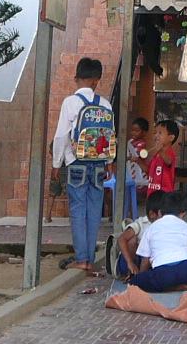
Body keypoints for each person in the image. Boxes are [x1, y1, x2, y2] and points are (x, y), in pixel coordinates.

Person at [50, 57, 112, 274]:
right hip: (99, 164)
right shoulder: (105, 104)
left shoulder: (70, 102)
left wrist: (56, 163)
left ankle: (82, 259)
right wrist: (109, 163)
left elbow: (61, 136)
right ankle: (90, 258)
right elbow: (109, 136)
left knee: (78, 210)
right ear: (97, 80)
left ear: (76, 78)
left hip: (76, 163)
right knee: (94, 211)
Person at [128, 191, 187, 294]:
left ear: (160, 212)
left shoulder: (151, 228)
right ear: (182, 214)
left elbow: (145, 260)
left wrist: (142, 277)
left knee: (135, 281)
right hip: (186, 269)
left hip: (162, 273)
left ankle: (178, 287)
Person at [107, 197, 152, 279]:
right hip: (130, 261)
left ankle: (140, 277)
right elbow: (121, 239)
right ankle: (129, 273)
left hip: (148, 262)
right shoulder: (141, 223)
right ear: (152, 214)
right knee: (132, 240)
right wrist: (130, 262)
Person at [146, 118, 180, 194]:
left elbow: (169, 162)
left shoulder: (169, 152)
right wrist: (138, 161)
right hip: (152, 194)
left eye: (160, 133)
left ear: (171, 138)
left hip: (164, 195)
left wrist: (160, 151)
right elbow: (148, 171)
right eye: (155, 133)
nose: (156, 136)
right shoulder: (156, 155)